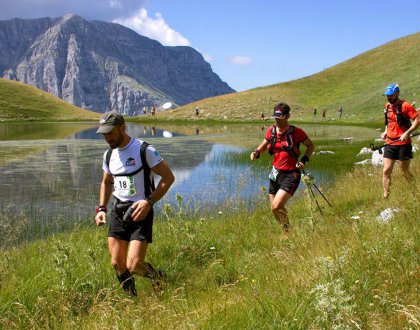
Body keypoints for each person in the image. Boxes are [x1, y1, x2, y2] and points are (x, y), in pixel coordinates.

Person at [95, 111, 175, 295]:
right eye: (104, 134)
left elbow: (168, 178)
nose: (107, 138)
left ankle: (157, 277)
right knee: (117, 263)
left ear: (123, 128)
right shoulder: (108, 155)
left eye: (111, 132)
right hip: (118, 211)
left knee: (134, 265)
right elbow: (107, 182)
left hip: (141, 212)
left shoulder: (144, 150)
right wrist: (101, 208)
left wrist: (149, 201)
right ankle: (133, 300)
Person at [250, 103, 315, 234]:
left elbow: (310, 146)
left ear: (287, 117)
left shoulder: (296, 132)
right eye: (276, 118)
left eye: (280, 118)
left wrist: (303, 160)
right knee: (274, 209)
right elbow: (263, 145)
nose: (278, 121)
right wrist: (256, 152)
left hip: (292, 174)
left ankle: (287, 232)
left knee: (276, 206)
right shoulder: (271, 131)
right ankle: (287, 231)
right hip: (275, 174)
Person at [381, 84, 419, 199]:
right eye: (387, 95)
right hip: (390, 143)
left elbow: (417, 119)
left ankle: (415, 192)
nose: (389, 98)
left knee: (404, 171)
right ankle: (385, 197)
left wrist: (407, 133)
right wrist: (385, 131)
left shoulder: (406, 106)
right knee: (386, 171)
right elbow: (388, 121)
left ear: (397, 93)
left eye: (391, 95)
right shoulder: (387, 106)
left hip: (403, 144)